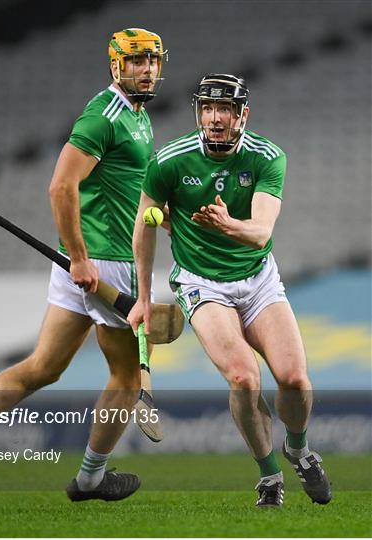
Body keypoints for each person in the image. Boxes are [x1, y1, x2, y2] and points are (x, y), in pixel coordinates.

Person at [0, 28, 167, 507]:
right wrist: (80, 257)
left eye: (154, 61)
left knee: (43, 367)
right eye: (137, 61)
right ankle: (90, 480)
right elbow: (61, 187)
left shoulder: (138, 117)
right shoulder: (105, 115)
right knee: (126, 377)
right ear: (116, 65)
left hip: (92, 263)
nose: (147, 69)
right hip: (105, 264)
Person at [128, 73, 332, 508]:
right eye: (207, 109)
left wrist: (227, 225)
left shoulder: (267, 157)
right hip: (202, 284)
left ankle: (297, 449)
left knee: (294, 380)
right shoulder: (169, 160)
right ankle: (269, 476)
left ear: (243, 115)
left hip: (258, 279)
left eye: (224, 110)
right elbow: (143, 228)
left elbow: (260, 234)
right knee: (243, 377)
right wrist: (143, 298)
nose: (215, 119)